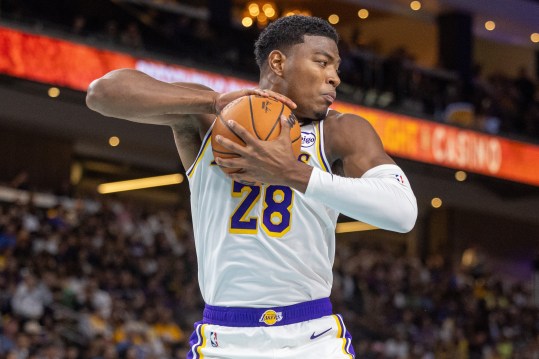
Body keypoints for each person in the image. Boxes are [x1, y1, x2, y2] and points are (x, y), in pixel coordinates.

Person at [86, 15, 417, 359]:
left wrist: (292, 173)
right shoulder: (211, 115)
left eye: (336, 67)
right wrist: (211, 102)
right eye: (322, 62)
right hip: (223, 338)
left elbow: (402, 212)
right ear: (278, 62)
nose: (335, 77)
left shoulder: (339, 131)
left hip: (310, 339)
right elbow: (102, 93)